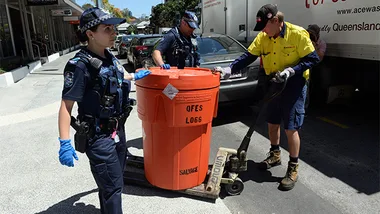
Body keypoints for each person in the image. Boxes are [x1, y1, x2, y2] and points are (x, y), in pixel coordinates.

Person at [213, 4, 320, 190]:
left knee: (291, 128)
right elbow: (247, 56)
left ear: (276, 21)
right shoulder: (264, 37)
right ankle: (275, 155)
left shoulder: (298, 34)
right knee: (272, 123)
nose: (263, 30)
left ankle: (293, 167)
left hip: (294, 85)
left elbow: (312, 59)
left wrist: (291, 71)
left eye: (265, 26)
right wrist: (229, 69)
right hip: (274, 83)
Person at [57, 7, 151, 214]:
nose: (114, 33)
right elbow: (66, 106)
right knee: (113, 188)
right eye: (107, 29)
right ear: (90, 34)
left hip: (118, 131)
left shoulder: (109, 56)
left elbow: (118, 76)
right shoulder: (79, 66)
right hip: (99, 137)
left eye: (114, 29)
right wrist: (64, 142)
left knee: (110, 185)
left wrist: (135, 76)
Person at [305, 24, 327, 110]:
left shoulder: (321, 43)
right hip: (305, 63)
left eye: (312, 34)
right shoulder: (305, 40)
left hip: (316, 64)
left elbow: (320, 57)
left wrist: (313, 46)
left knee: (307, 86)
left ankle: (305, 108)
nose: (310, 36)